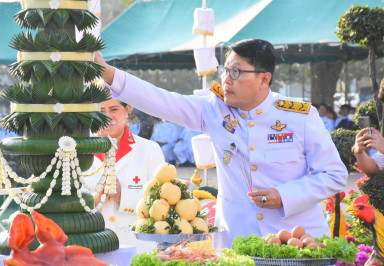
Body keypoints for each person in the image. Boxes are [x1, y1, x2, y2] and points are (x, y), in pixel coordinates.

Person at [95, 38, 348, 249]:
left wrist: (284, 195)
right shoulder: (213, 109)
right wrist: (107, 72)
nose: (226, 79)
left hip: (298, 241)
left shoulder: (298, 116)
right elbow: (161, 100)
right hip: (238, 242)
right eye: (225, 70)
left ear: (264, 79)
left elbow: (335, 175)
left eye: (236, 72)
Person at [83, 98, 165, 253]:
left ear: (127, 109)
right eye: (100, 111)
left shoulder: (149, 150)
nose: (107, 117)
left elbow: (160, 203)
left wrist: (123, 195)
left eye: (114, 109)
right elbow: (66, 203)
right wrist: (94, 199)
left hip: (138, 248)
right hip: (91, 249)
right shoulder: (77, 151)